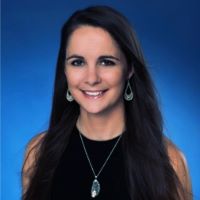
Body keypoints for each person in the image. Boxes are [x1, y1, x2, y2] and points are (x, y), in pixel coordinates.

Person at [22, 5, 192, 200]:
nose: (92, 78)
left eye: (106, 62)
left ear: (129, 69)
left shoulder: (170, 162)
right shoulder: (39, 153)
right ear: (65, 70)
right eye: (78, 62)